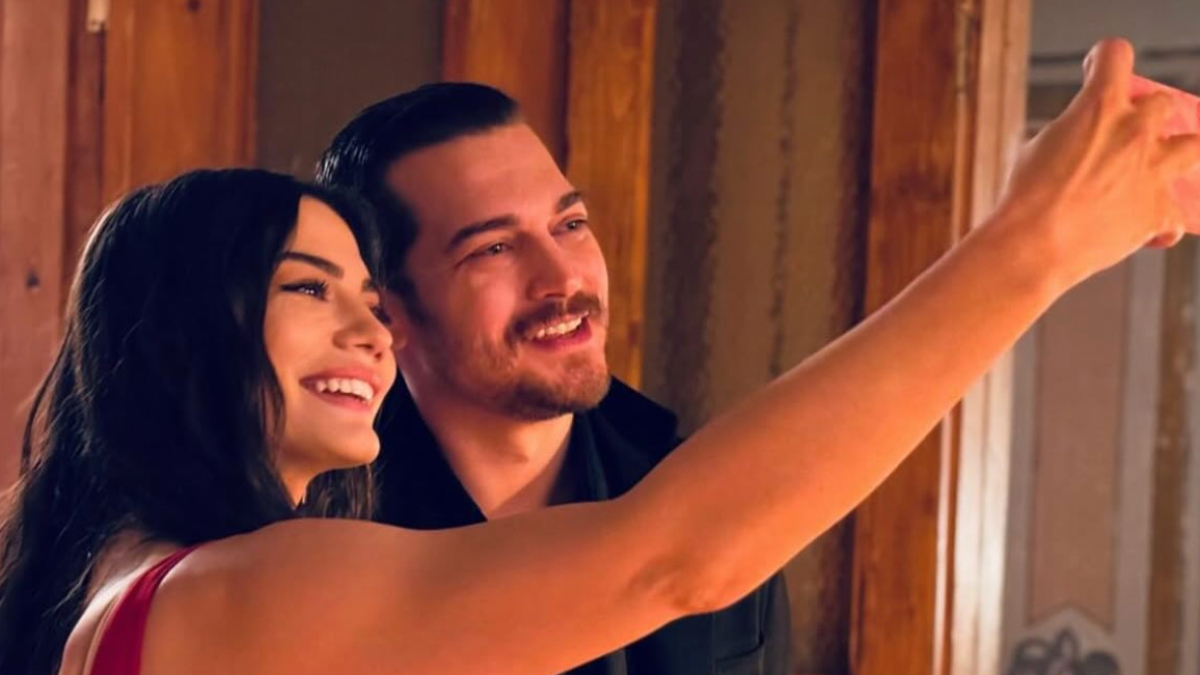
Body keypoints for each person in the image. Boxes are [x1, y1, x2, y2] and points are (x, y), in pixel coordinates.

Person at [0, 39, 1195, 675]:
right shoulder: (235, 594)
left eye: (364, 293)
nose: (369, 331)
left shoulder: (140, 577)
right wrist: (1034, 244)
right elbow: (671, 561)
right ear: (186, 336)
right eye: (310, 289)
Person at [313, 83, 789, 675]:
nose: (563, 278)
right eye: (494, 248)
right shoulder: (317, 537)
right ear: (387, 311)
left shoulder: (701, 498)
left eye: (570, 224)